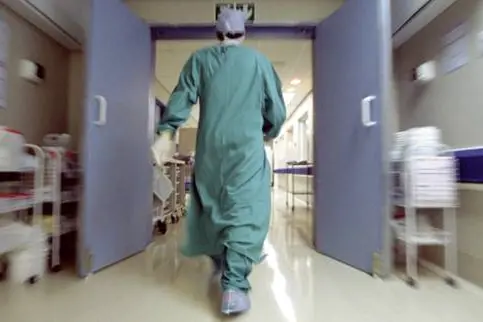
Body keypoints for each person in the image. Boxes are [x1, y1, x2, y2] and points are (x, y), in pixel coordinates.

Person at [152, 8, 286, 316]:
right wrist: (267, 132)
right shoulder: (259, 62)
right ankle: (234, 286)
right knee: (246, 209)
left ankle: (220, 258)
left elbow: (182, 96)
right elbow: (276, 113)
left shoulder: (199, 60)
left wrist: (166, 131)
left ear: (217, 35)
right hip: (246, 150)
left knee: (213, 203)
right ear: (244, 34)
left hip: (210, 149)